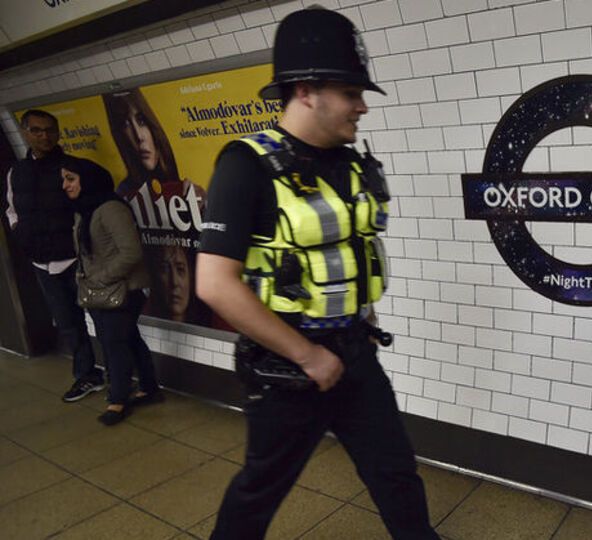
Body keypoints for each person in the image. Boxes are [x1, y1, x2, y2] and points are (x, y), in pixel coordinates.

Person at [196, 8, 438, 539]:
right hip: (288, 367)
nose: (362, 106)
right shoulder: (246, 164)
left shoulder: (349, 163)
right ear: (306, 90)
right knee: (261, 488)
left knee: (395, 471)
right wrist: (308, 356)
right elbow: (214, 284)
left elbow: (352, 251)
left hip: (354, 350)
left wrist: (359, 325)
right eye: (351, 92)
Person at [2, 109, 103, 402]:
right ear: (25, 132)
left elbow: (93, 207)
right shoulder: (16, 172)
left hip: (75, 259)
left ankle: (122, 375)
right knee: (68, 323)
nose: (44, 136)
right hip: (41, 262)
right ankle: (87, 375)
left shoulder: (73, 167)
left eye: (50, 130)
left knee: (102, 316)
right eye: (36, 130)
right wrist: (21, 234)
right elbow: (11, 210)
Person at [62, 156, 162, 425]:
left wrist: (101, 278)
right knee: (128, 338)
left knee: (113, 343)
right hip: (100, 289)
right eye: (64, 179)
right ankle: (149, 388)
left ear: (89, 180)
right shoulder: (85, 209)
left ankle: (118, 399)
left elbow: (131, 252)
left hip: (123, 289)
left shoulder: (110, 209)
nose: (65, 185)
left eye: (71, 179)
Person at [103, 89, 209, 325]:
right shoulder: (124, 198)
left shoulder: (189, 191)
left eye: (141, 120)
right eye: (125, 124)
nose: (139, 136)